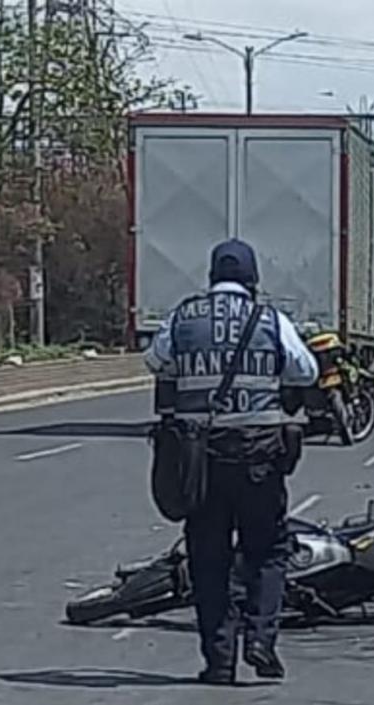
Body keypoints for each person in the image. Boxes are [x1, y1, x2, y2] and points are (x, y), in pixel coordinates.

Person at [143, 239, 317, 684]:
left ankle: (219, 662)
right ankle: (261, 640)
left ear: (212, 275)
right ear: (252, 278)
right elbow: (306, 371)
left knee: (208, 560)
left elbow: (155, 361)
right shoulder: (270, 319)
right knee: (268, 550)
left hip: (199, 460)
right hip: (259, 457)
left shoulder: (183, 316)